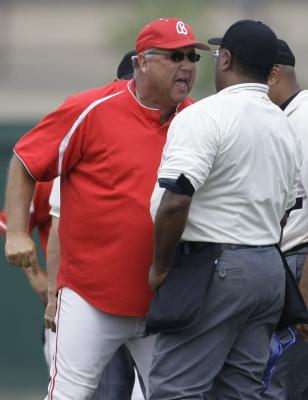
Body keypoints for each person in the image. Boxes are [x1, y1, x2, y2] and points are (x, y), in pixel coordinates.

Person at [4, 17, 209, 399]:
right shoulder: (91, 108)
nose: (187, 65)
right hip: (90, 298)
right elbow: (25, 160)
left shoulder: (199, 118)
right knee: (67, 396)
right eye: (175, 56)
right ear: (143, 62)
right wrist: (17, 231)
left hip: (163, 302)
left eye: (192, 57)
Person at [148, 20, 301, 399]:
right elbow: (285, 210)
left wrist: (161, 264)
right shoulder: (282, 123)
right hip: (268, 267)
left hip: (214, 264)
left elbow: (177, 197)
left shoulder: (206, 114)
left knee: (176, 389)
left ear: (227, 59)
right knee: (239, 391)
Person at [45, 50, 145, 400]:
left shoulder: (180, 123)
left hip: (152, 298)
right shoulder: (88, 128)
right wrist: (54, 294)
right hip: (93, 296)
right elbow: (57, 223)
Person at [261, 39, 308, 400]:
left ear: (273, 75)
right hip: (288, 263)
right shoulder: (287, 118)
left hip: (301, 263)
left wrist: (304, 291)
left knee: (283, 385)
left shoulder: (303, 120)